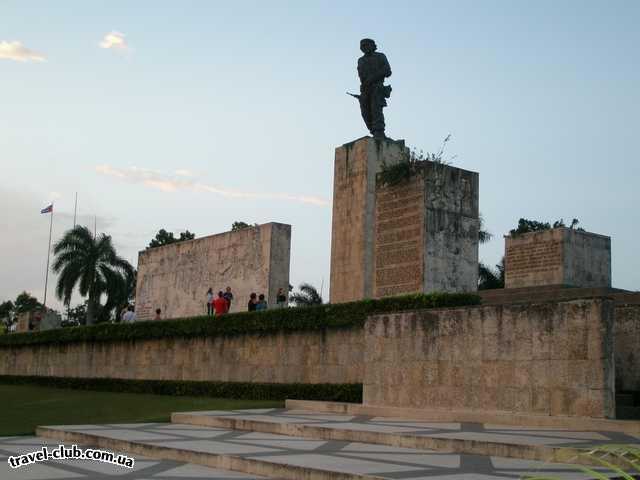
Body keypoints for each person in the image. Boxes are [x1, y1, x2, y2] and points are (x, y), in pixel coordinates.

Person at [357, 38, 392, 139]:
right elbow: (361, 75)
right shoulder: (361, 60)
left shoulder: (380, 56)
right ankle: (373, 130)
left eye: (366, 45)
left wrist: (374, 77)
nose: (364, 48)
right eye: (362, 46)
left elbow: (388, 71)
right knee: (365, 111)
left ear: (372, 46)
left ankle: (379, 131)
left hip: (377, 87)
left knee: (376, 108)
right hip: (365, 88)